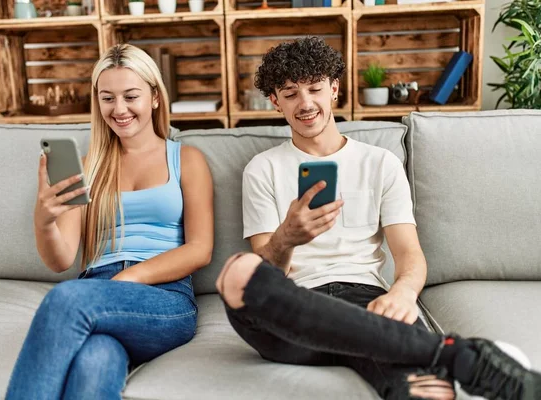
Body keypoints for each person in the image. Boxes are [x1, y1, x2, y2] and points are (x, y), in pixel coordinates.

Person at [216, 36, 540, 400]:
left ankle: (428, 369)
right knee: (242, 275)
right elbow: (264, 272)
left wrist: (402, 293)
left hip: (364, 300)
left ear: (333, 89)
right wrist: (286, 238)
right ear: (275, 101)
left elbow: (409, 253)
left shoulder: (380, 162)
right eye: (290, 93)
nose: (305, 103)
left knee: (418, 386)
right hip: (292, 304)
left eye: (314, 89)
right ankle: (459, 357)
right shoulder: (262, 169)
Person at [6, 43, 214, 399]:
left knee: (65, 300)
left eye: (130, 96)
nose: (119, 109)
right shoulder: (88, 167)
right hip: (99, 290)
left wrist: (129, 278)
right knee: (96, 358)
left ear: (154, 98)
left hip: (164, 299)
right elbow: (62, 259)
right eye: (107, 98)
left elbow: (200, 249)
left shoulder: (187, 159)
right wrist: (43, 222)